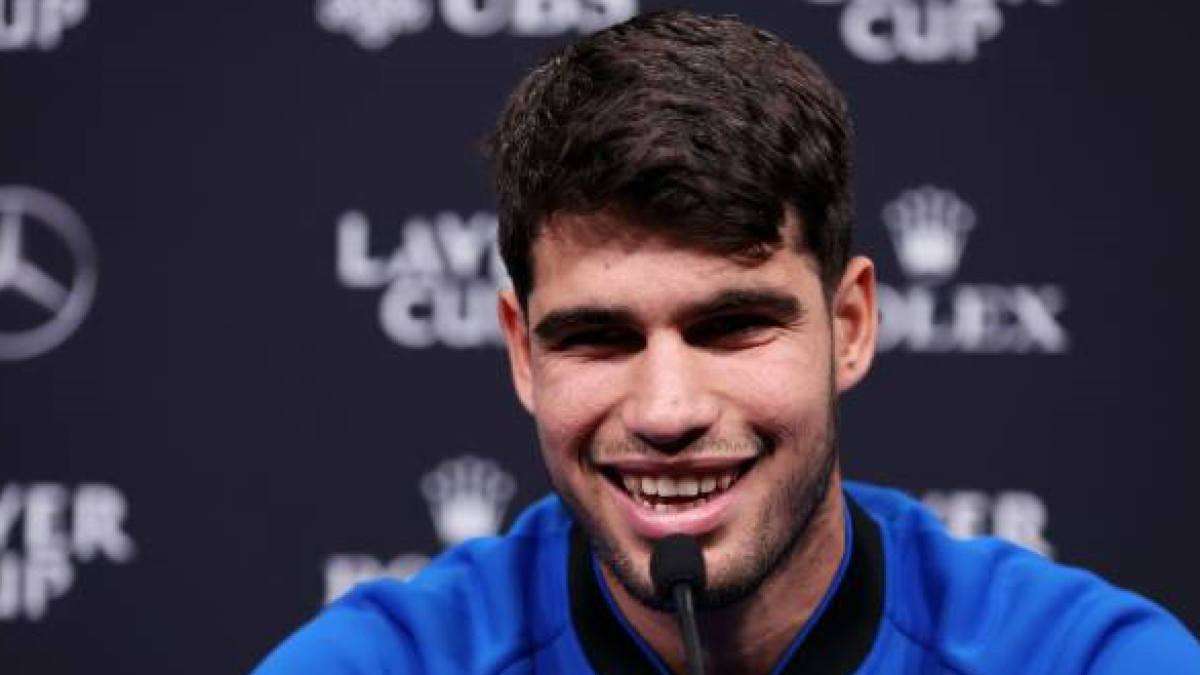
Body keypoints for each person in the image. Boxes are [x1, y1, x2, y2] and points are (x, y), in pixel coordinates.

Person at [252, 10, 1199, 675]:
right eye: (597, 337)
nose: (668, 411)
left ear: (850, 325)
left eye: (733, 325)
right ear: (521, 353)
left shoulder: (1085, 659)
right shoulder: (385, 661)